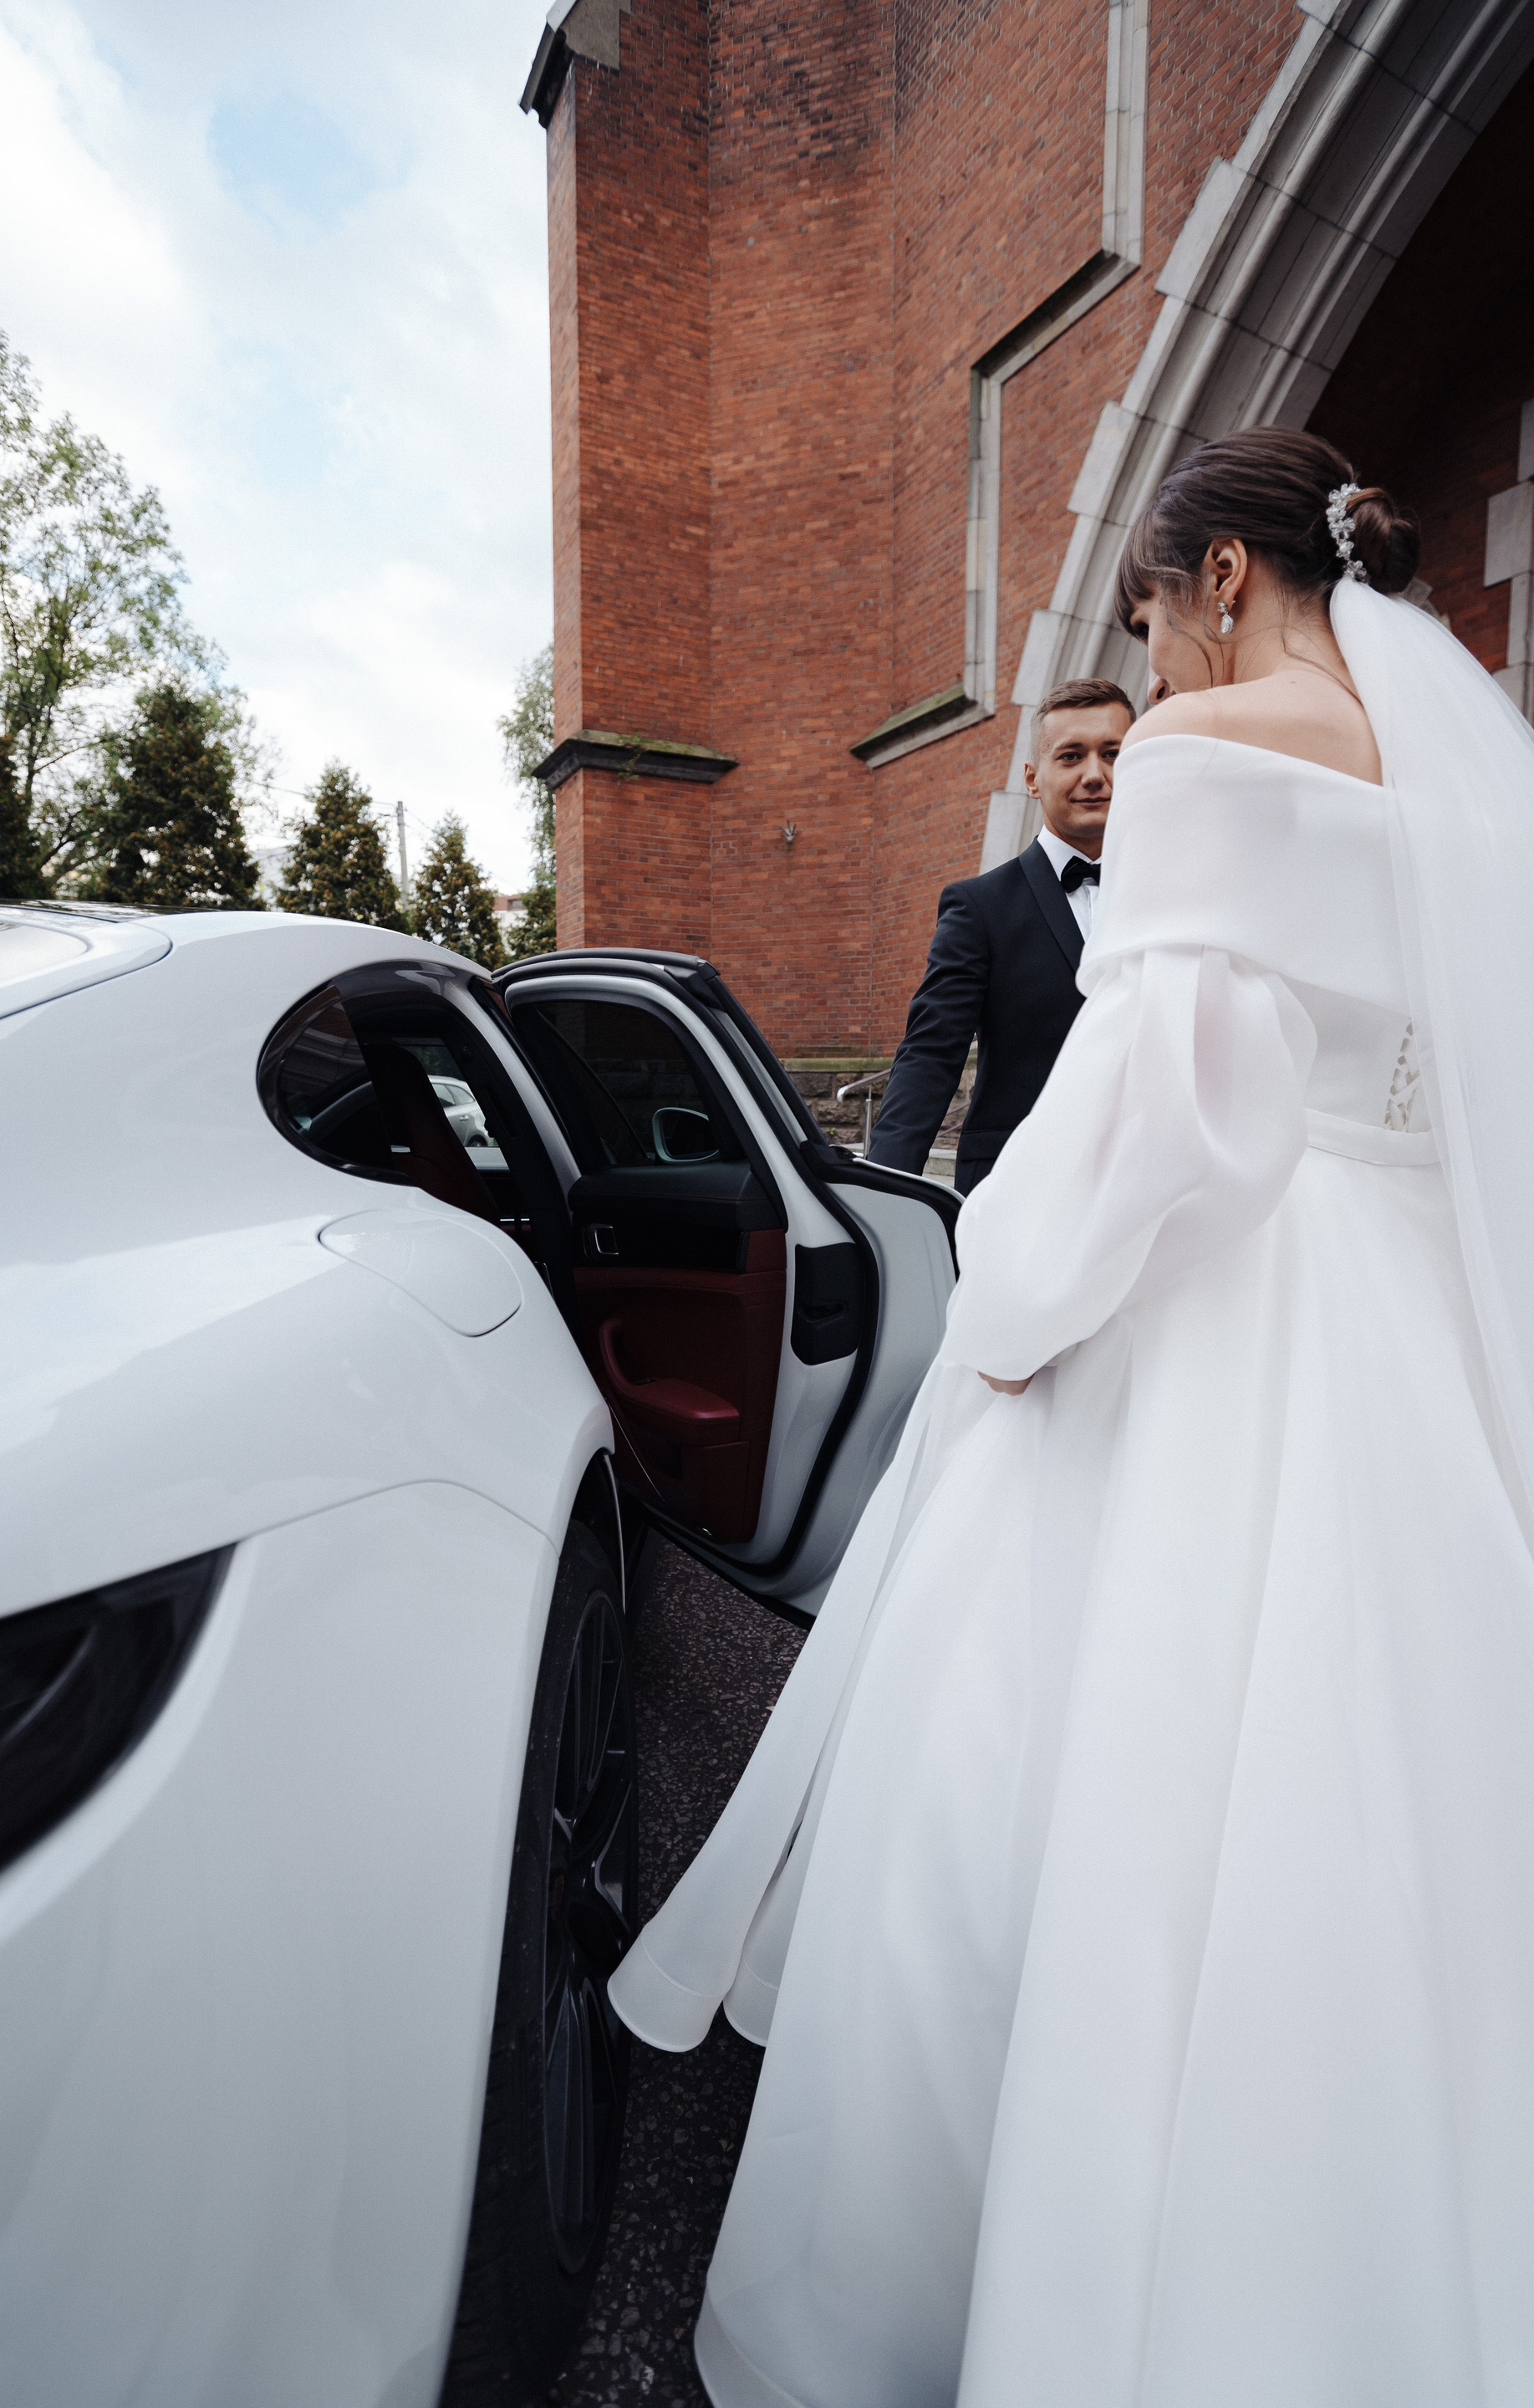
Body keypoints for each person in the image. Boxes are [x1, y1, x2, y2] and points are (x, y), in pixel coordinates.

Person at [609, 425, 1534, 2406]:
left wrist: (1019, 1304)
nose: (1153, 669)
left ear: (1222, 578)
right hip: (1414, 1330)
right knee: (1397, 1784)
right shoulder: (1468, 787)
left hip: (1234, 1310)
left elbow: (1177, 1089)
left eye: (1151, 615)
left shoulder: (1211, 748)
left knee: (1088, 1764)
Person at [867, 678, 1134, 1191]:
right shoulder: (979, 908)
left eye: (1112, 754)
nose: (1094, 775)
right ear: (1032, 778)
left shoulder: (1175, 894)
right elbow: (931, 1053)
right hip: (1018, 1187)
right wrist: (883, 1192)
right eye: (1071, 756)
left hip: (1150, 1186)